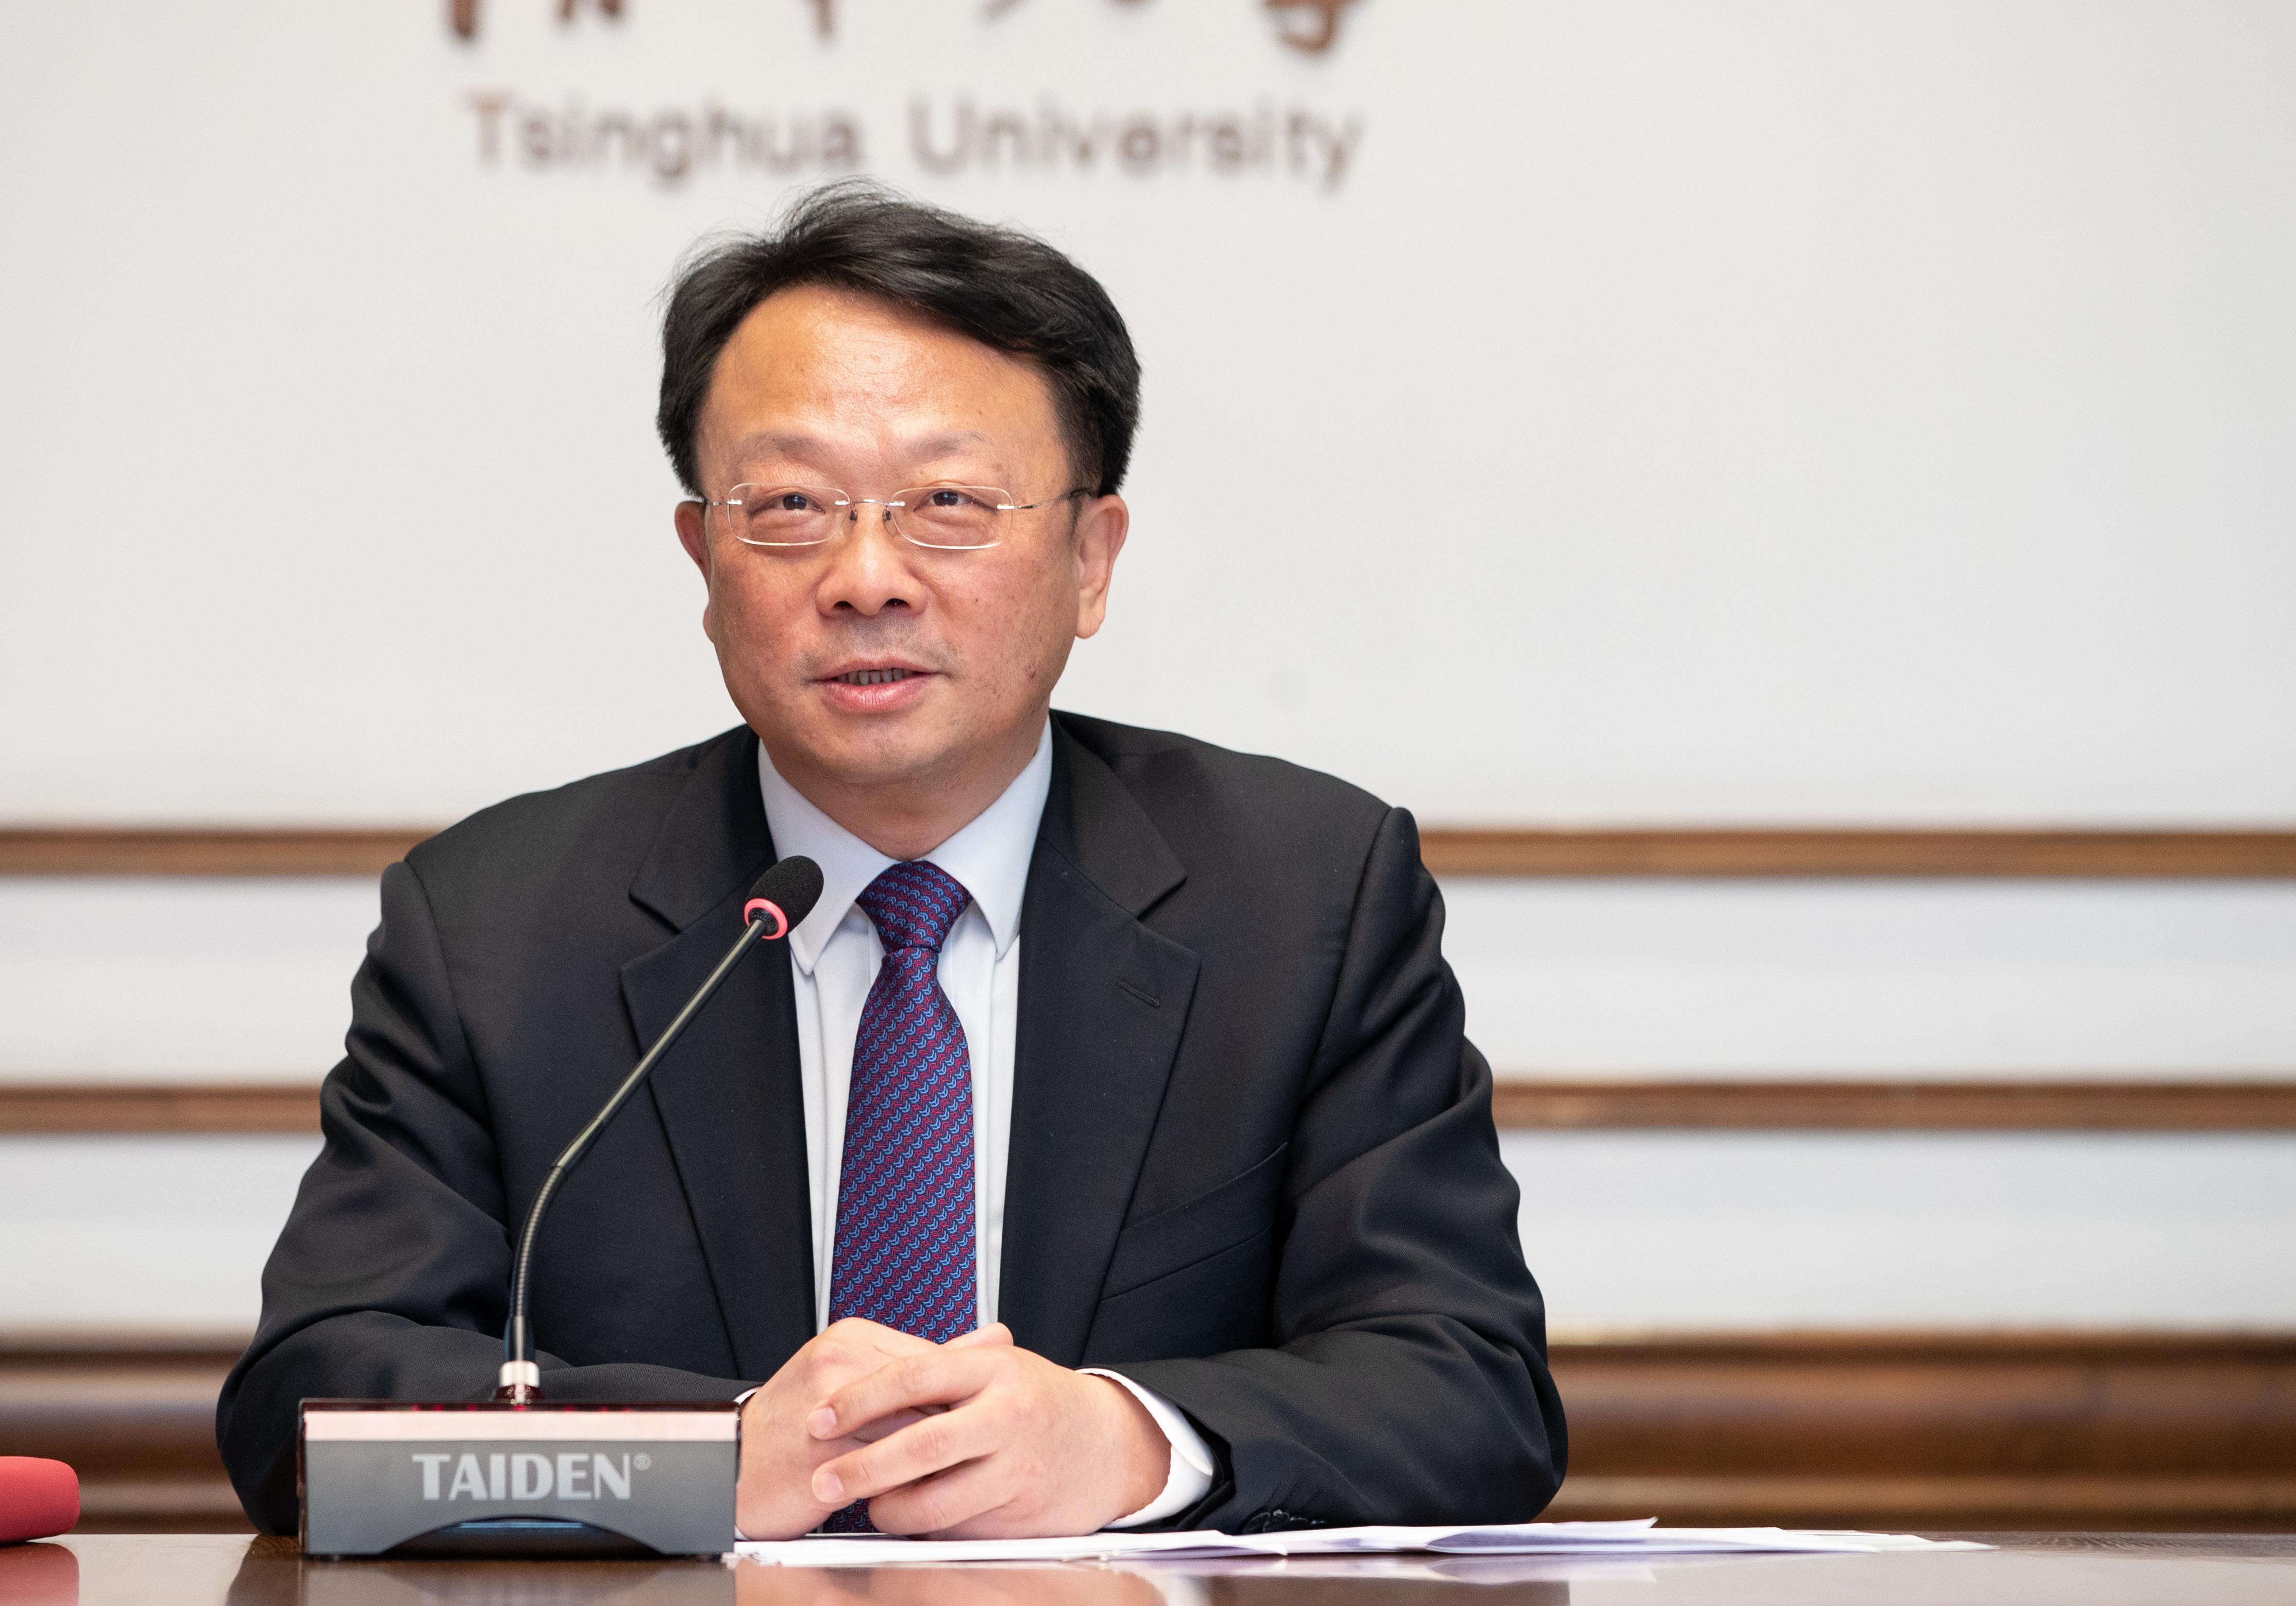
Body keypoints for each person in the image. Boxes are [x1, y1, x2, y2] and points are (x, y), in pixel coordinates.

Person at [216, 183, 1565, 1538]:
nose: (868, 578)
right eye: (792, 504)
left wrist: (1131, 1443)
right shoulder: (494, 927)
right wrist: (704, 1458)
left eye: (948, 502)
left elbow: (1471, 1390)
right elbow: (308, 1414)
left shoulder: (1305, 897)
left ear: (1092, 559)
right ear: (704, 559)